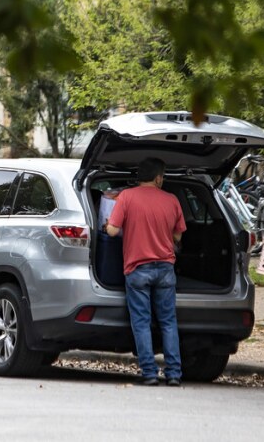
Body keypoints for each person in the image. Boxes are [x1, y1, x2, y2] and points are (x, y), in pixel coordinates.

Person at [105, 157, 185, 387]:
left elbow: (112, 231)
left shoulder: (127, 197)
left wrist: (107, 224)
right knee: (168, 322)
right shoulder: (171, 200)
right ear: (158, 178)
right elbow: (178, 236)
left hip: (137, 268)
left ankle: (149, 373)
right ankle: (174, 374)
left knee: (141, 321)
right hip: (165, 269)